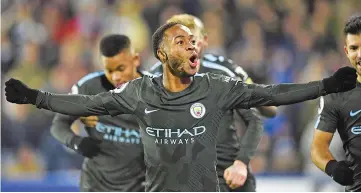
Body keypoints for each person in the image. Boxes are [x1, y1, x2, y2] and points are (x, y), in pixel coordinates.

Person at [5, 22, 357, 192]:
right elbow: (86, 103)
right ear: (161, 54)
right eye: (181, 41)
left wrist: (324, 86)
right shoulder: (139, 92)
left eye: (194, 41)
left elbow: (270, 94)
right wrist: (35, 97)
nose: (192, 47)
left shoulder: (215, 88)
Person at [149, 14, 276, 191]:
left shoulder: (223, 72)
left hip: (226, 176)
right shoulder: (152, 79)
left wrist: (241, 163)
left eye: (193, 40)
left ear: (204, 41)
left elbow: (265, 113)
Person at [50, 34, 147, 191]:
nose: (116, 76)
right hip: (95, 185)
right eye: (109, 70)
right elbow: (58, 124)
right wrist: (76, 142)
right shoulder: (88, 88)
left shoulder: (159, 91)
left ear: (135, 60)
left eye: (121, 68)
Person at [311, 14, 361, 192]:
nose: (360, 54)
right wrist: (332, 167)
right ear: (347, 52)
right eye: (354, 48)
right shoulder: (336, 95)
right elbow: (317, 148)